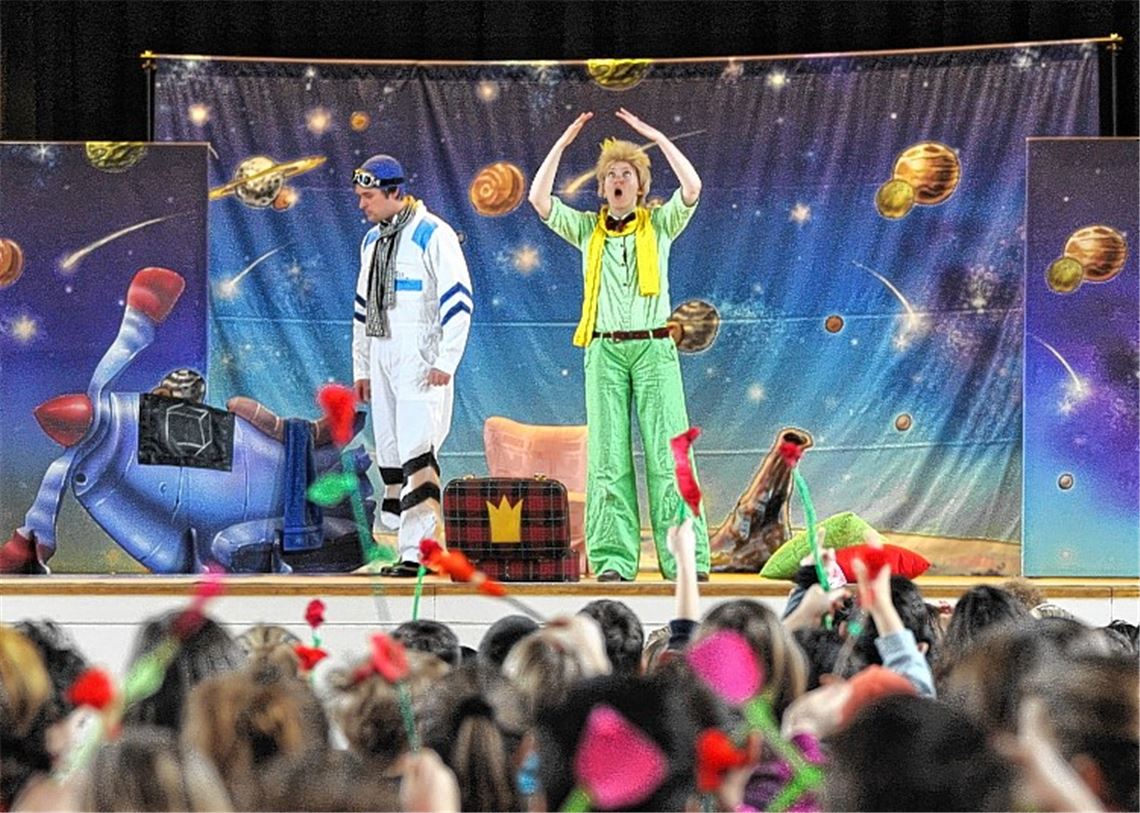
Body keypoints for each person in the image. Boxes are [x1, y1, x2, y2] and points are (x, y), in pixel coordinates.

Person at [529, 109, 710, 583]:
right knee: (607, 459)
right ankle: (612, 558)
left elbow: (691, 188)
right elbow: (538, 199)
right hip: (605, 351)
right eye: (610, 173)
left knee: (670, 455)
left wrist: (657, 134)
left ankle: (685, 557)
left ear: (640, 186)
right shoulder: (587, 230)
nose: (617, 178)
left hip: (654, 350)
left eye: (626, 173)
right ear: (602, 187)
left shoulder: (660, 226)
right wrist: (564, 144)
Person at [351, 154, 473, 576]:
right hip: (383, 353)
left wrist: (446, 359)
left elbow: (458, 300)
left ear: (394, 193)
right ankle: (402, 543)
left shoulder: (432, 234)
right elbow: (362, 309)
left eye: (368, 196)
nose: (362, 205)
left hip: (420, 356)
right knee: (388, 448)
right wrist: (362, 367)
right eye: (360, 196)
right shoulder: (372, 242)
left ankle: (417, 552)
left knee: (418, 452)